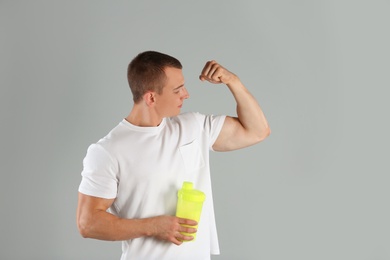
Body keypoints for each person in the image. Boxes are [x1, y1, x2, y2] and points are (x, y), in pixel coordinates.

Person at [77, 50, 270, 260]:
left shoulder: (194, 126)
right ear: (151, 97)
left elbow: (257, 131)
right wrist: (153, 226)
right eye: (177, 90)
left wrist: (233, 81)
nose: (186, 94)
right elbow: (88, 223)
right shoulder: (108, 151)